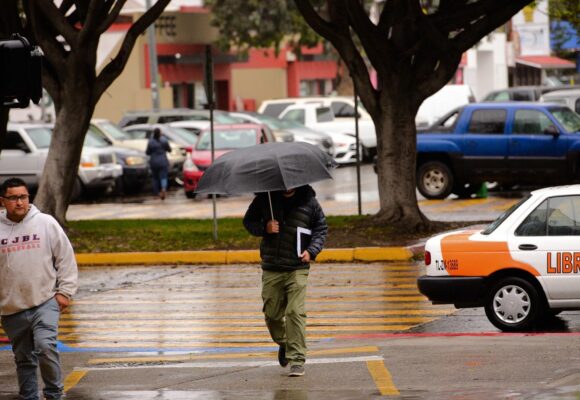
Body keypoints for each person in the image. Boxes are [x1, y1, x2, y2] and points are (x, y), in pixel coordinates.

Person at [0, 178, 78, 400]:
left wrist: (64, 292)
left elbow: (65, 257)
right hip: (11, 308)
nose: (19, 202)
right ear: (2, 201)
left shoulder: (45, 223)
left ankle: (54, 394)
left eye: (23, 197)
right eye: (13, 197)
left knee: (45, 347)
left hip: (44, 301)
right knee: (23, 359)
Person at [243, 185, 327, 377]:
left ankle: (297, 360)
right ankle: (286, 344)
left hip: (297, 267)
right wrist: (265, 228)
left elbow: (320, 228)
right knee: (272, 315)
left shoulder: (309, 202)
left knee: (295, 312)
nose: (288, 186)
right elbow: (248, 221)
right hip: (272, 267)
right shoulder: (266, 200)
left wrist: (312, 250)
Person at [146, 127, 171, 200]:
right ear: (160, 133)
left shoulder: (150, 142)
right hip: (163, 161)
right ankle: (163, 189)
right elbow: (169, 149)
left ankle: (156, 193)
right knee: (163, 177)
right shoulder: (164, 140)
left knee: (155, 178)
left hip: (153, 162)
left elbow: (147, 152)